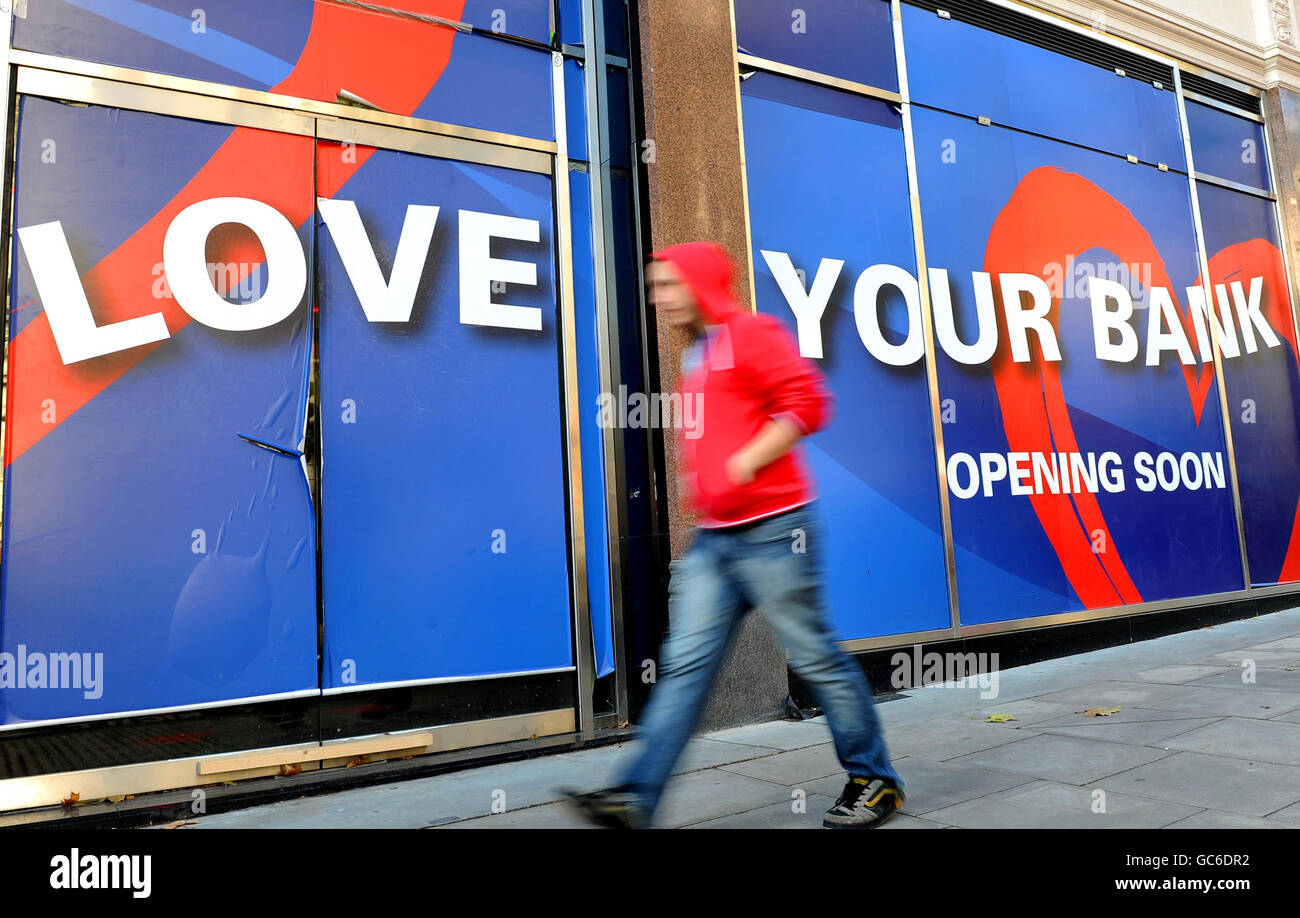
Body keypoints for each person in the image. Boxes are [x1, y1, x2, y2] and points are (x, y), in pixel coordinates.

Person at [560, 241, 903, 829]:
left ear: (698, 284)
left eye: (668, 285)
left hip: (775, 531)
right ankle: (635, 798)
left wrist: (747, 461)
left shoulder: (751, 333)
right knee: (687, 667)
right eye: (654, 286)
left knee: (817, 658)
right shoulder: (701, 351)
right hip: (716, 541)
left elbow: (809, 402)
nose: (658, 297)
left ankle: (876, 782)